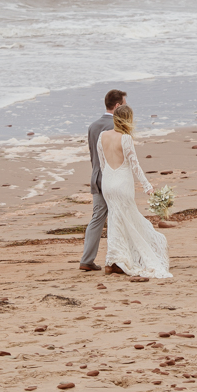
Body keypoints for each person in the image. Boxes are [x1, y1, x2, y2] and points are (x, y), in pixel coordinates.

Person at [96, 105, 171, 278]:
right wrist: (147, 186)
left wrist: (107, 181)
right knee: (128, 219)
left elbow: (102, 165)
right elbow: (135, 165)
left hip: (108, 182)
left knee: (115, 220)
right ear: (128, 119)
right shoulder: (126, 139)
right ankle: (118, 260)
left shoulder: (102, 136)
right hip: (123, 184)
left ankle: (113, 261)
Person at [78, 89, 125, 271]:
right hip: (112, 179)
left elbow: (93, 156)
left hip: (96, 177)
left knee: (97, 218)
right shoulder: (116, 125)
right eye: (125, 104)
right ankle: (115, 261)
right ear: (118, 105)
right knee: (117, 218)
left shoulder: (93, 126)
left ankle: (86, 260)